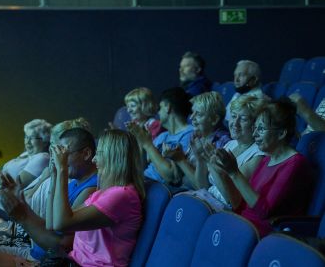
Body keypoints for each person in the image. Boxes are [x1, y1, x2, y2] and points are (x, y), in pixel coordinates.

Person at [0, 127, 98, 265]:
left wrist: (23, 216)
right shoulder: (74, 182)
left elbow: (63, 246)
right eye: (57, 154)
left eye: (63, 154)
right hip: (35, 249)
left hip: (45, 259)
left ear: (86, 153)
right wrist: (55, 175)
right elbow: (50, 224)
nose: (59, 159)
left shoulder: (90, 190)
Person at [211, 98, 313, 236]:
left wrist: (234, 172)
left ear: (281, 133)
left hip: (263, 233)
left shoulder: (294, 163)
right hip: (243, 223)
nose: (254, 134)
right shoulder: (266, 160)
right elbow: (239, 205)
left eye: (261, 129)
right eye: (255, 129)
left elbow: (263, 211)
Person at [46, 129, 145, 266]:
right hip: (75, 260)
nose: (94, 159)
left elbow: (61, 223)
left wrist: (62, 169)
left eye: (99, 153)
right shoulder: (102, 192)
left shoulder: (122, 195)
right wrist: (55, 175)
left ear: (114, 157)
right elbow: (52, 224)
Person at [161, 91, 231, 190]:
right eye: (192, 112)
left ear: (214, 119)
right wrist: (175, 158)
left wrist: (180, 160)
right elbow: (178, 178)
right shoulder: (197, 136)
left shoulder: (222, 144)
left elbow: (203, 187)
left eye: (198, 114)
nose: (191, 117)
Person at [128, 87, 193, 188]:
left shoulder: (189, 134)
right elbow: (142, 168)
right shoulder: (163, 136)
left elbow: (172, 176)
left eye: (160, 108)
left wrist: (147, 144)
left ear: (168, 107)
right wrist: (141, 142)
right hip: (143, 182)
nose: (158, 112)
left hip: (157, 189)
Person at [0, 119, 52, 189]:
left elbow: (15, 186)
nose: (27, 142)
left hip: (6, 205)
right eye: (26, 137)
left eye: (32, 138)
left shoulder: (43, 158)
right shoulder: (25, 154)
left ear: (45, 141)